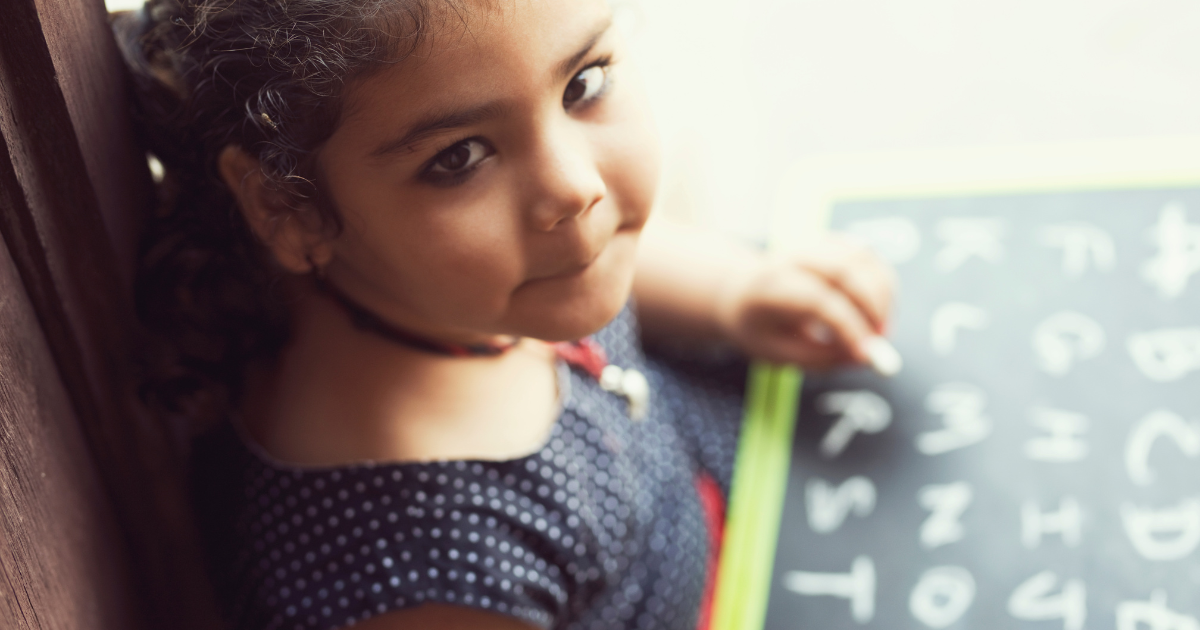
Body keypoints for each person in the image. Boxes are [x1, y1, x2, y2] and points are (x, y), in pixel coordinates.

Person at [115, 0, 895, 627]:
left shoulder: (459, 276)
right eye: (458, 158)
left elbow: (607, 258)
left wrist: (732, 294)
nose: (574, 189)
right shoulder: (434, 578)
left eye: (583, 84)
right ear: (289, 207)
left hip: (715, 479)